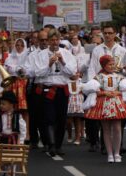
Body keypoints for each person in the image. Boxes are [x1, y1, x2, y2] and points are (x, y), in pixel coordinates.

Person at [83, 55, 126, 163]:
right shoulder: (98, 77)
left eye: (113, 64)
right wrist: (104, 92)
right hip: (104, 103)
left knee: (117, 127)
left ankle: (117, 153)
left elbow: (125, 89)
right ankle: (110, 153)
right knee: (106, 129)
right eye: (110, 64)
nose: (112, 66)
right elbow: (93, 89)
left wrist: (118, 92)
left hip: (116, 103)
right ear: (104, 65)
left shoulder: (118, 76)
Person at [34, 29, 76, 157]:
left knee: (61, 119)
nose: (54, 42)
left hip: (62, 90)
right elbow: (37, 74)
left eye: (56, 40)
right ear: (48, 41)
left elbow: (72, 73)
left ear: (59, 40)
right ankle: (51, 145)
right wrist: (49, 64)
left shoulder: (67, 53)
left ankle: (58, 145)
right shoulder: (41, 55)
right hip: (48, 90)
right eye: (51, 40)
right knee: (49, 118)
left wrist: (62, 61)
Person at [87, 25, 126, 153]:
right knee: (104, 117)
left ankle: (118, 145)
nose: (108, 35)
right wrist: (94, 85)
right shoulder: (97, 50)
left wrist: (123, 76)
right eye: (105, 33)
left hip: (117, 87)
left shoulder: (122, 50)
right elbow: (92, 68)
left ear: (115, 33)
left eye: (110, 33)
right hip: (103, 86)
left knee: (119, 117)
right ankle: (105, 145)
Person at [23, 30, 49, 150]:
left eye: (46, 40)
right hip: (36, 86)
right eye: (41, 40)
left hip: (49, 86)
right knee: (34, 114)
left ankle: (47, 140)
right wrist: (38, 71)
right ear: (37, 41)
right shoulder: (32, 55)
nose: (44, 42)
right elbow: (27, 71)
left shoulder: (53, 52)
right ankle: (34, 139)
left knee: (46, 115)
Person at [4, 38, 29, 143]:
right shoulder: (9, 57)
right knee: (12, 109)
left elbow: (27, 69)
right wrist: (16, 69)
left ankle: (27, 133)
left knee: (24, 110)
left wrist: (19, 69)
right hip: (13, 83)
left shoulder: (27, 57)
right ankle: (12, 131)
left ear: (24, 47)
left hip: (23, 84)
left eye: (21, 45)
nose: (19, 47)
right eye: (17, 45)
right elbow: (7, 68)